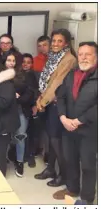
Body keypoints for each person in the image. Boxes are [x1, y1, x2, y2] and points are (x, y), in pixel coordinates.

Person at [53, 42, 98, 204]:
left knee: (87, 165)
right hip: (68, 126)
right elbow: (61, 96)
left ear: (96, 56)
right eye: (81, 54)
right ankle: (72, 188)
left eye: (88, 54)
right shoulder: (71, 74)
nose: (84, 57)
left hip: (89, 129)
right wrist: (63, 117)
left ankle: (87, 198)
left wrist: (80, 120)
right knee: (69, 159)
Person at [34, 29, 77, 187]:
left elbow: (57, 83)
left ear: (66, 43)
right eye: (54, 41)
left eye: (60, 41)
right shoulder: (53, 56)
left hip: (57, 104)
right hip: (47, 101)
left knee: (56, 140)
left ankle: (63, 175)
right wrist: (40, 98)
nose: (56, 44)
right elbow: (47, 80)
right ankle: (50, 169)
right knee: (50, 139)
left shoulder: (69, 59)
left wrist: (42, 102)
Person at [4, 52, 35, 177]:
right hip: (5, 110)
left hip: (20, 109)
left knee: (20, 136)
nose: (11, 63)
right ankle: (3, 159)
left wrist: (18, 99)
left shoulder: (24, 75)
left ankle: (20, 161)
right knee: (4, 136)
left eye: (13, 60)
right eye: (8, 60)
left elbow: (29, 94)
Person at [21, 53, 42, 168]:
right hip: (21, 106)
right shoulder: (18, 75)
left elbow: (37, 91)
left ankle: (30, 155)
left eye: (28, 62)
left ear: (32, 64)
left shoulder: (35, 75)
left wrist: (35, 105)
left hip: (32, 106)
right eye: (24, 62)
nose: (25, 65)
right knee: (22, 132)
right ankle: (22, 154)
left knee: (31, 132)